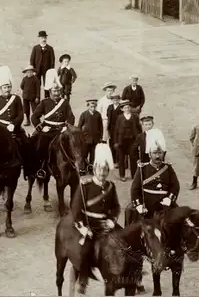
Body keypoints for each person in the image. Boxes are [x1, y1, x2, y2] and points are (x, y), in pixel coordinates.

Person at [71, 143, 120, 294]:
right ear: (94, 169)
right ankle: (84, 279)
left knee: (126, 242)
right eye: (99, 169)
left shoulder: (111, 186)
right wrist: (83, 228)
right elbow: (75, 209)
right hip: (89, 224)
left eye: (105, 170)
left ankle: (133, 276)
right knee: (85, 250)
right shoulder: (85, 186)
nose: (102, 173)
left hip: (106, 223)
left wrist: (112, 220)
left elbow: (116, 207)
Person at [126, 128, 180, 223]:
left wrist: (169, 199)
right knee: (130, 213)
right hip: (147, 204)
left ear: (163, 154)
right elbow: (135, 188)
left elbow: (175, 186)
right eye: (155, 153)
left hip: (165, 204)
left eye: (160, 153)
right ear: (150, 155)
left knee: (180, 220)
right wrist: (138, 205)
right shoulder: (142, 168)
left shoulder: (168, 168)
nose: (158, 156)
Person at [31, 68, 74, 177]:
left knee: (73, 145)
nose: (57, 93)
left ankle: (77, 166)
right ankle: (41, 168)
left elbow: (71, 117)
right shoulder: (44, 102)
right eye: (54, 91)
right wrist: (40, 127)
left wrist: (67, 126)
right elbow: (34, 117)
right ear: (50, 92)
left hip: (61, 130)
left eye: (58, 91)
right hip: (48, 130)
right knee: (41, 146)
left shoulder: (64, 103)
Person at [0, 65, 28, 162]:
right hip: (1, 128)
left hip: (15, 127)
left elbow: (20, 115)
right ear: (1, 88)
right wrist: (2, 127)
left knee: (27, 144)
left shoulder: (16, 99)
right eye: (5, 87)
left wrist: (14, 124)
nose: (7, 89)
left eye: (8, 87)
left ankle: (29, 169)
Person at [114, 100, 142, 181]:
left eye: (128, 107)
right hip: (122, 141)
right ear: (122, 109)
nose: (127, 109)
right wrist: (116, 142)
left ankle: (134, 175)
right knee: (121, 159)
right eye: (125, 108)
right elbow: (116, 130)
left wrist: (139, 139)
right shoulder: (119, 117)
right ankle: (122, 175)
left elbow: (139, 129)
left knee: (133, 158)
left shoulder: (135, 116)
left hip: (132, 140)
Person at [78, 99, 103, 167]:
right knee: (84, 153)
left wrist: (100, 137)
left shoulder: (98, 114)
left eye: (94, 107)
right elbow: (79, 127)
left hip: (95, 138)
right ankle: (83, 168)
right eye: (91, 106)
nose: (93, 108)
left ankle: (91, 167)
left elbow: (101, 127)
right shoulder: (84, 114)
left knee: (93, 154)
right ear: (88, 106)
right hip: (86, 138)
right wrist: (80, 137)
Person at [29, 31, 55, 98]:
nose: (43, 39)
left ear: (46, 38)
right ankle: (37, 99)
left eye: (45, 38)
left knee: (47, 85)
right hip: (37, 70)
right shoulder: (35, 48)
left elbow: (52, 60)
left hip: (47, 70)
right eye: (42, 38)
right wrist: (33, 70)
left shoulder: (50, 48)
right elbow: (32, 59)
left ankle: (47, 99)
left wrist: (51, 71)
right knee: (37, 84)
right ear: (39, 39)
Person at [106, 94, 122, 165]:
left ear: (119, 100)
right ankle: (112, 160)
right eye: (114, 100)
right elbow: (107, 115)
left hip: (119, 128)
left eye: (117, 100)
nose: (115, 101)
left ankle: (118, 160)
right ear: (112, 100)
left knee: (117, 143)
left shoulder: (121, 107)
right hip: (111, 128)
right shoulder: (110, 107)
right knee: (111, 143)